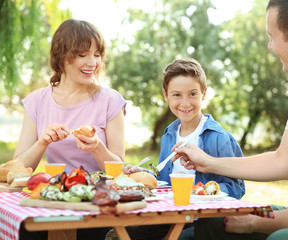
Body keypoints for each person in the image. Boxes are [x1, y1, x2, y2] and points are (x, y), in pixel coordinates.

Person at [172, 0, 288, 239]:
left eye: (272, 36)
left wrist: (256, 221)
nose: (270, 46)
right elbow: (284, 161)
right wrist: (207, 162)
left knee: (281, 237)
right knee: (216, 219)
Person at [14, 19, 126, 240]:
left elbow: (119, 171)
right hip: (52, 198)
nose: (93, 62)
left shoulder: (110, 101)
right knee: (27, 231)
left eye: (97, 54)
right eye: (83, 55)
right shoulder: (37, 101)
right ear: (62, 56)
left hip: (94, 203)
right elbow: (19, 168)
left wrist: (97, 148)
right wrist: (42, 142)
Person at [123, 58, 245, 240]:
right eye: (177, 95)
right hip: (170, 214)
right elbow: (165, 180)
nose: (185, 103)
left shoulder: (219, 137)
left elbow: (237, 187)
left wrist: (201, 192)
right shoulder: (169, 135)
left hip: (201, 219)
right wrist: (143, 174)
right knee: (130, 230)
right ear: (166, 95)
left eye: (193, 94)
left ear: (204, 94)